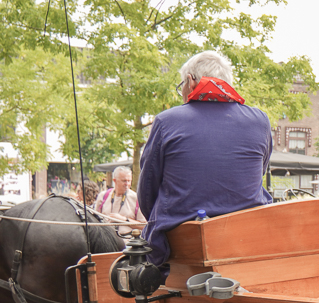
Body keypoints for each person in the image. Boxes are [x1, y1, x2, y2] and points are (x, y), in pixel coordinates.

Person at [139, 50, 273, 270]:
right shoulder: (260, 121)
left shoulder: (166, 121)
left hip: (182, 244)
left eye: (181, 84)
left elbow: (147, 193)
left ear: (191, 82)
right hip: (248, 239)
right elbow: (258, 173)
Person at [93, 166, 145, 236]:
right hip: (106, 239)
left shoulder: (136, 198)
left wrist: (123, 219)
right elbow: (95, 220)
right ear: (115, 181)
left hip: (128, 241)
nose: (127, 184)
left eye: (129, 181)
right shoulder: (103, 196)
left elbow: (144, 226)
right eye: (124, 181)